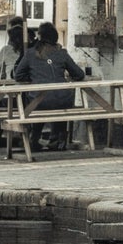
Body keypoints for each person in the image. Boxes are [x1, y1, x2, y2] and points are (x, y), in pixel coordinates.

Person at [13, 21, 88, 152]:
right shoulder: (62, 53)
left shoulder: (31, 53)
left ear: (39, 37)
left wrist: (32, 77)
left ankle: (34, 139)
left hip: (40, 101)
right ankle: (57, 140)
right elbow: (79, 74)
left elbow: (17, 75)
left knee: (37, 101)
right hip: (63, 100)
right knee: (57, 98)